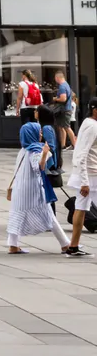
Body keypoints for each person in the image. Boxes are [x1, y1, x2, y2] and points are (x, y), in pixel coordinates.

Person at [7, 118, 71, 253]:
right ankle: (65, 244)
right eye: (39, 132)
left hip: (20, 188)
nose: (41, 134)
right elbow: (39, 167)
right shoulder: (36, 149)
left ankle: (13, 245)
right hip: (32, 189)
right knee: (48, 215)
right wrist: (45, 153)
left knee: (17, 215)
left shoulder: (23, 150)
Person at [66, 95, 97, 257]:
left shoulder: (87, 123)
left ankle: (73, 246)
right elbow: (82, 154)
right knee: (80, 208)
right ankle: (73, 246)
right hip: (91, 175)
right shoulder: (92, 126)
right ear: (94, 110)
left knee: (81, 208)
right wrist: (85, 181)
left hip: (87, 174)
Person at [53, 71, 74, 150]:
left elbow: (63, 98)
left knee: (67, 127)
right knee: (62, 127)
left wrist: (55, 99)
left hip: (64, 110)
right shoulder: (66, 85)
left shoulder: (62, 86)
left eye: (55, 78)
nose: (55, 80)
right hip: (66, 109)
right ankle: (63, 145)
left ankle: (74, 144)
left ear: (57, 78)